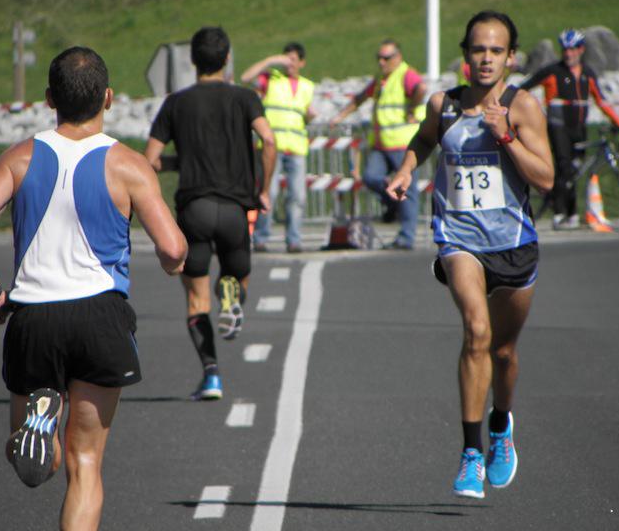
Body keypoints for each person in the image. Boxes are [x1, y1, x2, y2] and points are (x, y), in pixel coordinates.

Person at [0, 46, 187, 529]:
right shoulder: (127, 164)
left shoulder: (20, 157)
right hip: (99, 314)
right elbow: (172, 249)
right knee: (85, 465)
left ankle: (42, 418)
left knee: (37, 465)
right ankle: (47, 423)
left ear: (48, 99)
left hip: (34, 317)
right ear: (107, 98)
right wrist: (174, 266)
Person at [387, 11, 554, 499]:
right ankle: (470, 451)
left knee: (503, 351)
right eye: (478, 49)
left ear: (510, 57)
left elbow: (545, 178)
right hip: (459, 240)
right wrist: (405, 169)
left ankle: (501, 426)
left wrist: (505, 136)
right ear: (465, 55)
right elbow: (423, 139)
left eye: (495, 50)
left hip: (514, 244)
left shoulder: (523, 106)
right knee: (476, 333)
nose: (485, 58)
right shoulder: (445, 105)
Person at [145, 26, 275, 401]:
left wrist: (180, 162)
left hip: (194, 209)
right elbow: (268, 140)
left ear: (192, 61)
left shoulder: (176, 103)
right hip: (236, 208)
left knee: (196, 300)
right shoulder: (245, 98)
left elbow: (150, 159)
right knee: (237, 276)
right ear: (228, 58)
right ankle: (231, 295)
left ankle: (211, 375)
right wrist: (262, 189)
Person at [519, 29, 619, 229]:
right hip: (558, 126)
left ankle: (571, 213)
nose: (568, 54)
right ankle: (559, 212)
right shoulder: (553, 71)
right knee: (564, 166)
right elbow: (523, 89)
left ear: (581, 50)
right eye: (565, 50)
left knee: (575, 169)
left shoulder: (587, 74)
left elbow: (602, 101)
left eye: (572, 49)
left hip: (579, 127)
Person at [330, 39, 427, 249]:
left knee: (406, 190)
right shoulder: (381, 80)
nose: (381, 62)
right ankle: (392, 203)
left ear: (397, 57)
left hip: (403, 144)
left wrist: (412, 108)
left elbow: (421, 88)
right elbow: (360, 97)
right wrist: (340, 116)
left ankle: (406, 237)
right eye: (379, 58)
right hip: (382, 145)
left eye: (386, 58)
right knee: (371, 177)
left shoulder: (405, 74)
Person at [241, 43, 316, 253]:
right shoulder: (271, 79)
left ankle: (294, 240)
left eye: (293, 59)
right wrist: (270, 61)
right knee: (268, 193)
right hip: (270, 148)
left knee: (297, 196)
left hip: (296, 148)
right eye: (286, 58)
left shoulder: (306, 87)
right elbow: (246, 78)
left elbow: (303, 113)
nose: (289, 63)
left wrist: (310, 115)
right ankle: (261, 237)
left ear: (302, 62)